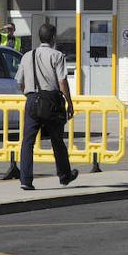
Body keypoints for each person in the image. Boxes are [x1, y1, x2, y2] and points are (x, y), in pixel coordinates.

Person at [15, 22, 78, 191]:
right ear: (53, 38)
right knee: (57, 139)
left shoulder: (26, 56)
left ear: (39, 37)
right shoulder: (57, 56)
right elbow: (62, 82)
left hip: (32, 100)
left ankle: (25, 180)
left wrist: (29, 95)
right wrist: (69, 102)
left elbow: (19, 82)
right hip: (51, 100)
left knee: (27, 142)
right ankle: (64, 175)